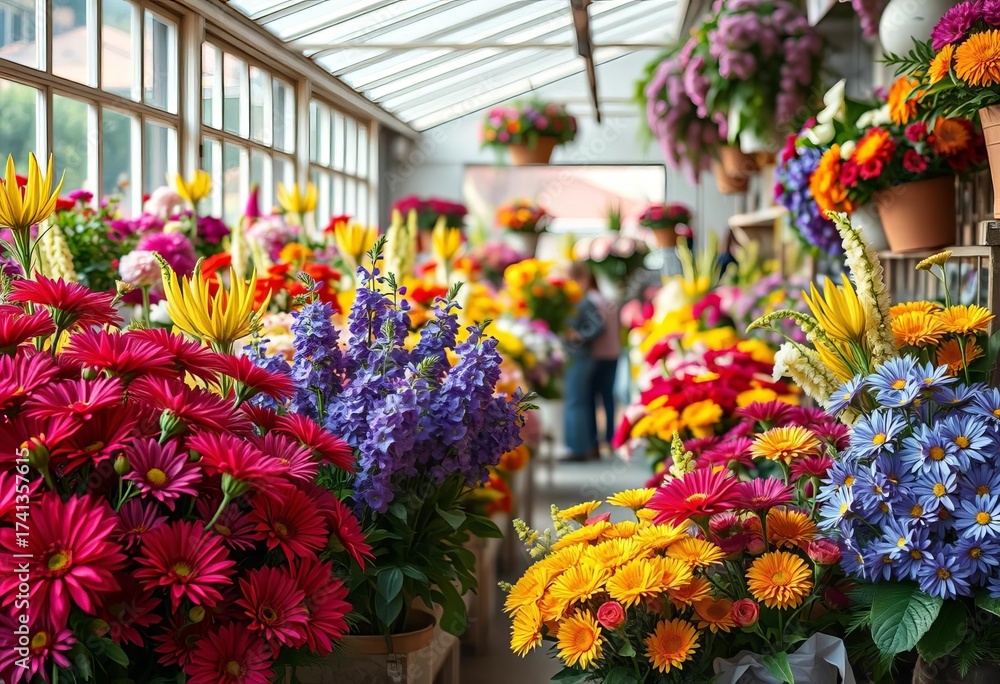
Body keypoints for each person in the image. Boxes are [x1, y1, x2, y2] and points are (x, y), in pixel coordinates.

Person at [562, 261, 604, 461]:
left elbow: (598, 325)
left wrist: (580, 335)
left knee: (576, 402)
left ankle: (578, 449)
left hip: (580, 358)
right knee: (579, 401)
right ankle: (583, 446)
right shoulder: (574, 300)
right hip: (575, 357)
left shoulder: (584, 301)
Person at [588, 281, 620, 456]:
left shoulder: (591, 301)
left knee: (592, 398)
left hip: (597, 355)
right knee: (608, 397)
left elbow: (595, 329)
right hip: (613, 354)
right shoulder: (609, 302)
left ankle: (595, 442)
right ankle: (611, 439)